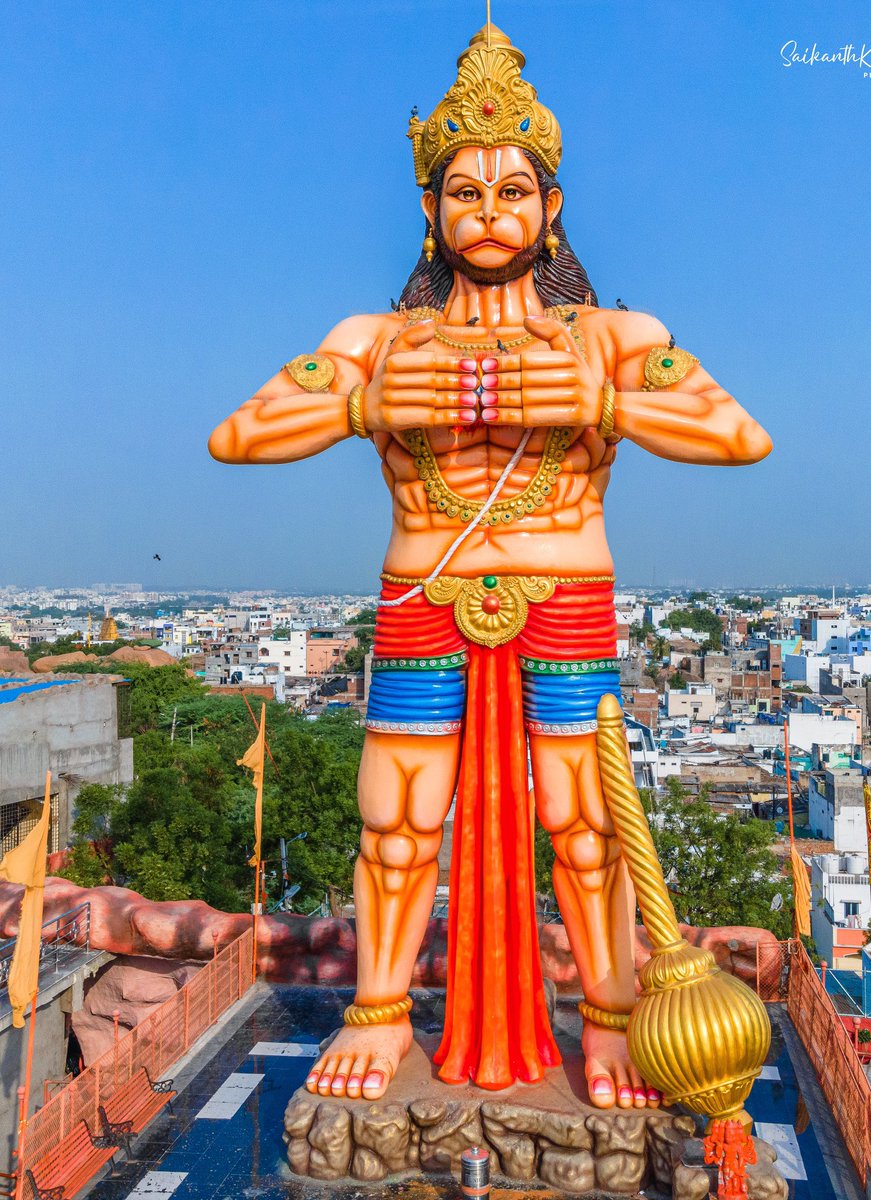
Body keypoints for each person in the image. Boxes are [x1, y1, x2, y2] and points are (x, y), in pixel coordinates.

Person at [208, 23, 771, 1110]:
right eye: (464, 192)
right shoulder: (378, 342)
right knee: (398, 817)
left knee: (588, 824)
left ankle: (607, 1022)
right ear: (431, 211)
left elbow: (740, 432)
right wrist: (362, 405)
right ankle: (379, 1015)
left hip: (564, 595)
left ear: (551, 207)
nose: (490, 211)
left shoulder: (609, 339)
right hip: (424, 593)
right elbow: (239, 431)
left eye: (515, 190)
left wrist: (604, 404)